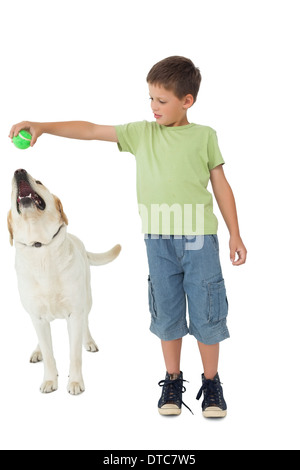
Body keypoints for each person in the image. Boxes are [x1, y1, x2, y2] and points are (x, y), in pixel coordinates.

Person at [9, 56, 247, 418]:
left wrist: (235, 234)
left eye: (162, 101)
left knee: (207, 312)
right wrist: (43, 125)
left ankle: (212, 383)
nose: (154, 107)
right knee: (166, 311)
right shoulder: (142, 133)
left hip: (200, 240)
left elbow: (221, 186)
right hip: (158, 241)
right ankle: (172, 379)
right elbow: (90, 130)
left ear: (187, 101)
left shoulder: (204, 137)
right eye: (150, 99)